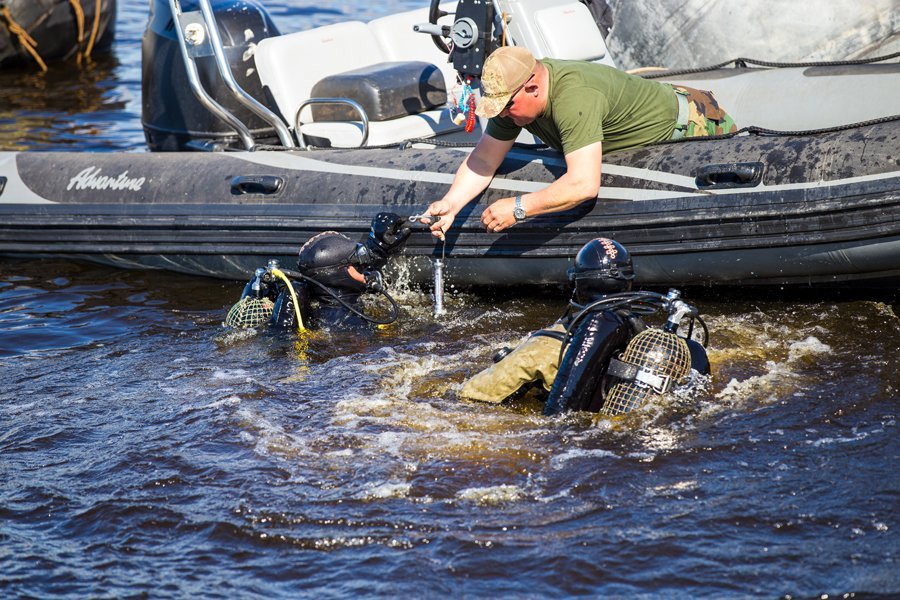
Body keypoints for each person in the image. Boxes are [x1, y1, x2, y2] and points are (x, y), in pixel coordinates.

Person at [423, 46, 737, 238]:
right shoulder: (514, 100)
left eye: (507, 106)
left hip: (692, 126)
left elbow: (584, 185)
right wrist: (451, 204)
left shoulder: (573, 97)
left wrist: (519, 208)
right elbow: (484, 159)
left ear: (533, 86)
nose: (504, 114)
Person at [460, 237, 710, 416]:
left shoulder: (543, 349)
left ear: (577, 284)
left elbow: (473, 397)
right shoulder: (645, 338)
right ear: (629, 284)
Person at [226, 212, 411, 331]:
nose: (365, 271)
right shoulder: (352, 323)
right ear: (342, 274)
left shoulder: (308, 306)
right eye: (359, 264)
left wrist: (379, 249)